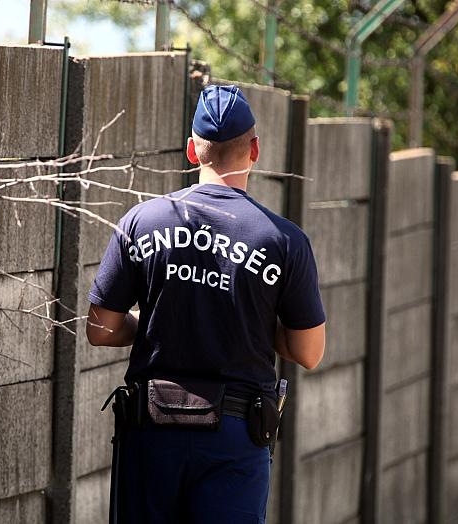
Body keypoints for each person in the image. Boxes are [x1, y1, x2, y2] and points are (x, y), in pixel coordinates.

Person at [86, 84, 326, 524]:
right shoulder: (284, 240)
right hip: (235, 441)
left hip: (152, 433)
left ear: (193, 151)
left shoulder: (141, 222)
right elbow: (308, 352)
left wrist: (153, 323)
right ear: (254, 149)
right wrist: (248, 322)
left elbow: (101, 330)